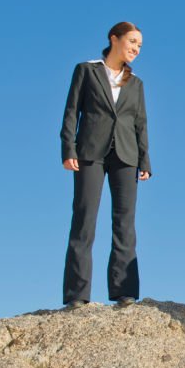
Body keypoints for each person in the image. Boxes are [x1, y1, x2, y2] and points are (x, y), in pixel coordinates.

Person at [60, 22, 152, 309]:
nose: (136, 49)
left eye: (140, 45)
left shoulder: (136, 83)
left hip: (126, 155)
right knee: (84, 219)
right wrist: (68, 148)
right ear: (114, 39)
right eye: (132, 42)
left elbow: (140, 124)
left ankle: (125, 292)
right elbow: (71, 112)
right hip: (90, 152)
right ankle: (77, 295)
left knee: (125, 223)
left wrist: (145, 160)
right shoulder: (86, 70)